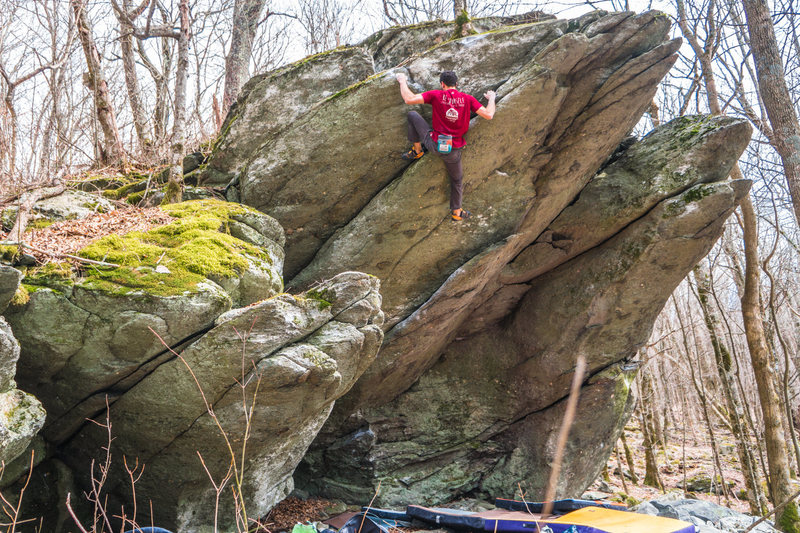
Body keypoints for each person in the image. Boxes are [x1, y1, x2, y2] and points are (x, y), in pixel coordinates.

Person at [396, 70, 495, 221]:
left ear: (442, 84)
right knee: (457, 180)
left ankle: (417, 151)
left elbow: (409, 99)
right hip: (453, 151)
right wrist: (492, 98)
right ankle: (457, 212)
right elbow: (489, 115)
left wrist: (402, 81)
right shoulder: (467, 99)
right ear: (457, 84)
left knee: (412, 115)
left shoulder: (436, 95)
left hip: (434, 144)